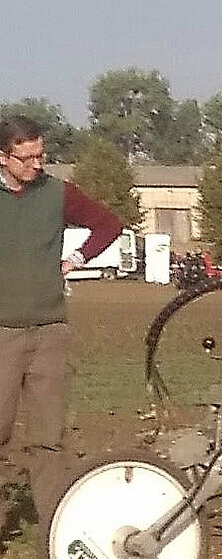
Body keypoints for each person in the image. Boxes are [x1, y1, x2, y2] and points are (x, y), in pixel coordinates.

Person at [0, 114, 125, 531]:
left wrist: (77, 258)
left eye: (41, 155)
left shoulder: (58, 193)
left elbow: (109, 224)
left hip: (50, 331)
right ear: (3, 157)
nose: (37, 165)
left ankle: (56, 527)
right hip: (3, 333)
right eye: (27, 157)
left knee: (47, 438)